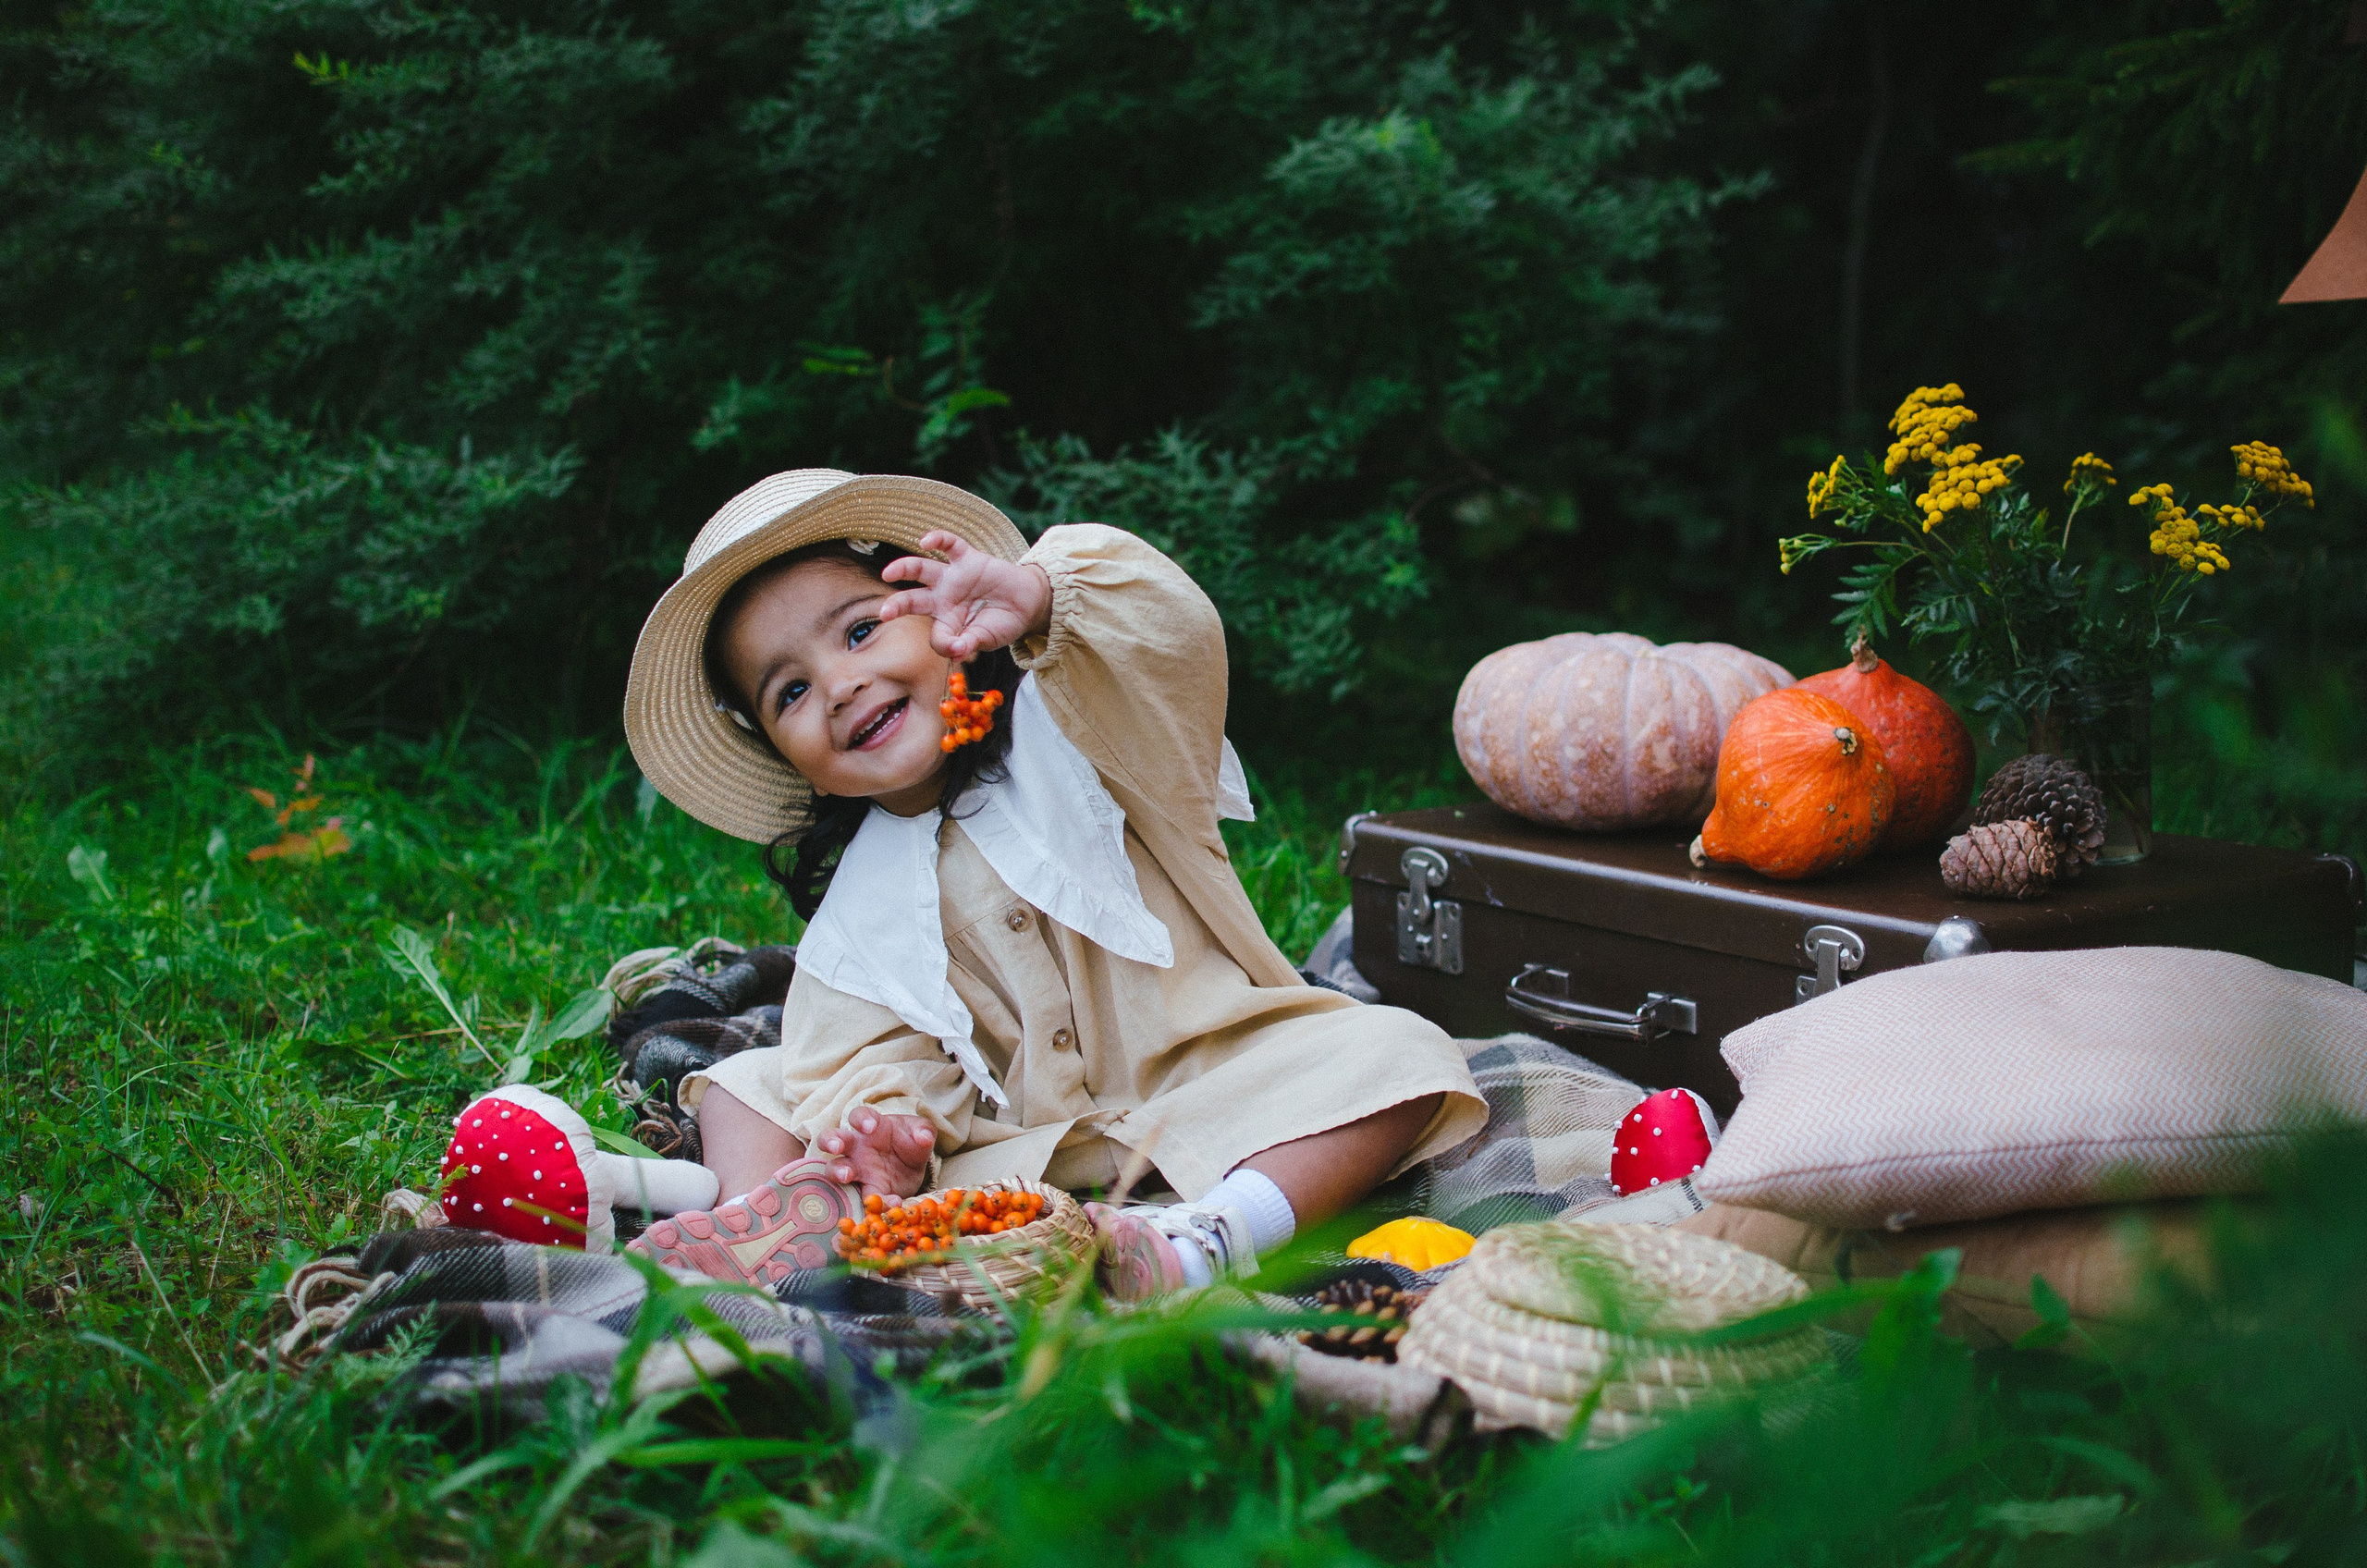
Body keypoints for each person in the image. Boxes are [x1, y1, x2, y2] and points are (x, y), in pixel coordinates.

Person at [618, 470, 1485, 1296]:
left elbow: (1170, 643)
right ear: (784, 753)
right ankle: (784, 1224)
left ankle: (1205, 1240)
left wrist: (1043, 599)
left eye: (860, 631)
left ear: (935, 610)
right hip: (1020, 1153)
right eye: (792, 691)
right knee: (755, 1083)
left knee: (1397, 1055)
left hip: (1208, 1089)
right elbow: (872, 1052)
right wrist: (892, 1130)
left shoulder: (1080, 733)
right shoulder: (864, 904)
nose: (841, 685)